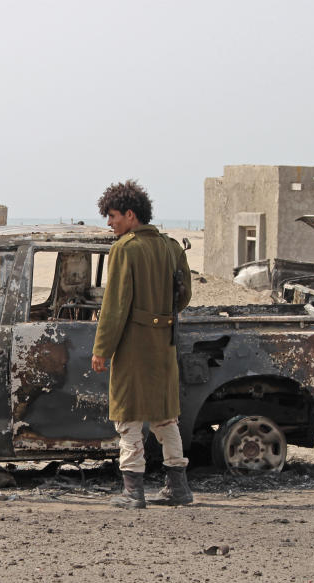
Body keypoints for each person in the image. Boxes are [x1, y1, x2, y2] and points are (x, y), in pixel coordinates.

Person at [91, 180, 192, 509]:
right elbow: (184, 296)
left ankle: (133, 492)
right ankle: (178, 489)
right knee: (165, 417)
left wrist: (102, 350)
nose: (110, 223)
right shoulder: (171, 247)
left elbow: (115, 307)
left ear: (130, 215)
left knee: (128, 416)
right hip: (164, 345)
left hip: (133, 347)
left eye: (113, 216)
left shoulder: (125, 249)